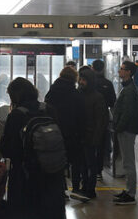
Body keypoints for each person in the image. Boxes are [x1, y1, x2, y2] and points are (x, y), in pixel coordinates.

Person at [0, 77, 69, 219]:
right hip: (53, 174)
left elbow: (8, 149)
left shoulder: (17, 116)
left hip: (28, 178)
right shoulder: (49, 109)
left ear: (14, 95)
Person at [44, 67, 84, 199]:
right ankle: (76, 188)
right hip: (73, 131)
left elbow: (47, 108)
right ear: (74, 78)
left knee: (59, 161)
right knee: (75, 161)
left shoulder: (52, 91)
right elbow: (80, 114)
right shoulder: (75, 93)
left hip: (56, 131)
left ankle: (62, 189)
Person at [111, 61, 138, 205]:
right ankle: (129, 190)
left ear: (129, 72)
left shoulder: (129, 90)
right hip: (125, 129)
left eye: (122, 69)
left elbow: (127, 112)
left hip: (126, 130)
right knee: (127, 161)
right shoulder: (128, 88)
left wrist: (119, 127)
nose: (119, 71)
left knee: (129, 162)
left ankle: (131, 194)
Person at [77, 67, 109, 200]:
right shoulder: (79, 94)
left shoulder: (97, 97)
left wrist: (96, 138)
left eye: (83, 79)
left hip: (90, 136)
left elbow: (100, 120)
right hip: (81, 135)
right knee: (83, 164)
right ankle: (85, 186)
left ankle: (90, 189)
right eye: (80, 79)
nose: (81, 82)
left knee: (90, 164)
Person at [90, 59, 116, 177]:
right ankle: (99, 170)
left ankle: (89, 169)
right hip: (103, 118)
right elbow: (112, 102)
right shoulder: (108, 83)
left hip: (89, 118)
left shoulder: (90, 83)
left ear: (92, 68)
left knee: (88, 144)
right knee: (100, 144)